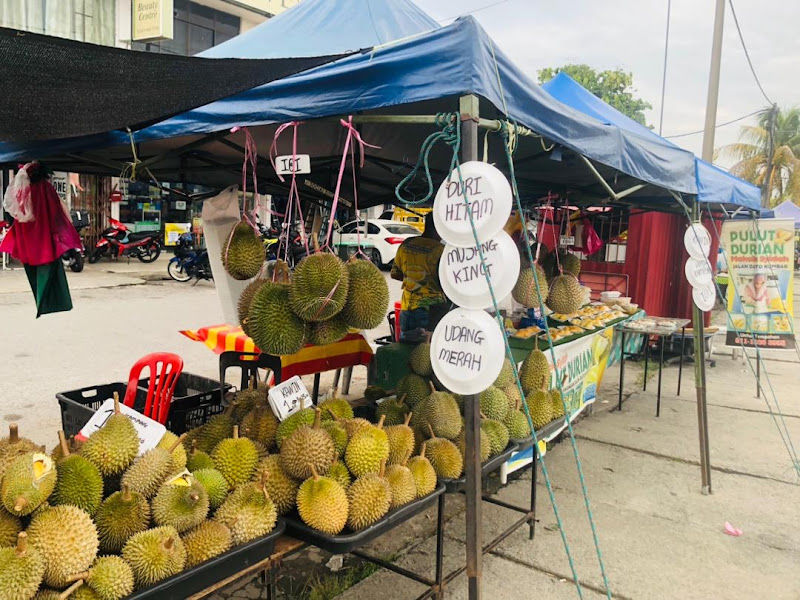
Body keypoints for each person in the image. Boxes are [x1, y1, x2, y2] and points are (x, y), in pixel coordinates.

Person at [390, 212, 448, 340]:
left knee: (405, 351)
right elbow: (447, 283)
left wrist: (412, 279)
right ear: (439, 228)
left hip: (407, 308)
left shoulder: (406, 244)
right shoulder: (441, 250)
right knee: (425, 353)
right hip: (430, 310)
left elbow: (394, 274)